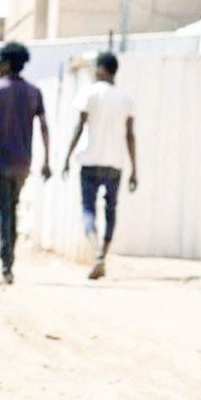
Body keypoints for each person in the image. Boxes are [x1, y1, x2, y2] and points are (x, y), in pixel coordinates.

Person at [0, 41, 50, 284]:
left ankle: (6, 266)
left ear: (7, 63)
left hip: (0, 161)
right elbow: (45, 127)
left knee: (4, 212)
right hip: (23, 163)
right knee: (13, 210)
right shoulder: (34, 92)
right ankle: (9, 263)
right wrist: (47, 159)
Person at [62, 52, 137, 280]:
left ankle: (97, 254)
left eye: (97, 68)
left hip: (89, 160)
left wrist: (67, 157)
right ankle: (102, 253)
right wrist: (135, 168)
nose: (95, 71)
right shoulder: (127, 98)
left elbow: (79, 127)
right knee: (110, 210)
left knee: (88, 209)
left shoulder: (90, 92)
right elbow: (130, 135)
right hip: (115, 163)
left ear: (103, 69)